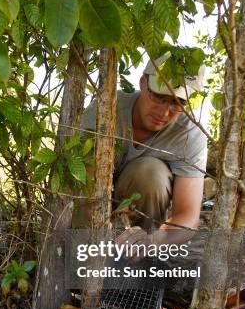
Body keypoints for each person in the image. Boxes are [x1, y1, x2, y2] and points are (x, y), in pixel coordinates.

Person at [80, 53, 207, 247]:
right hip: (92, 213)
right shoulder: (105, 110)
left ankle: (138, 263)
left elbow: (188, 215)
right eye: (158, 96)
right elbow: (81, 188)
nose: (164, 113)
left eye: (177, 102)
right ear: (142, 82)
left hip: (143, 224)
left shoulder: (189, 135)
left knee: (149, 172)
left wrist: (155, 240)